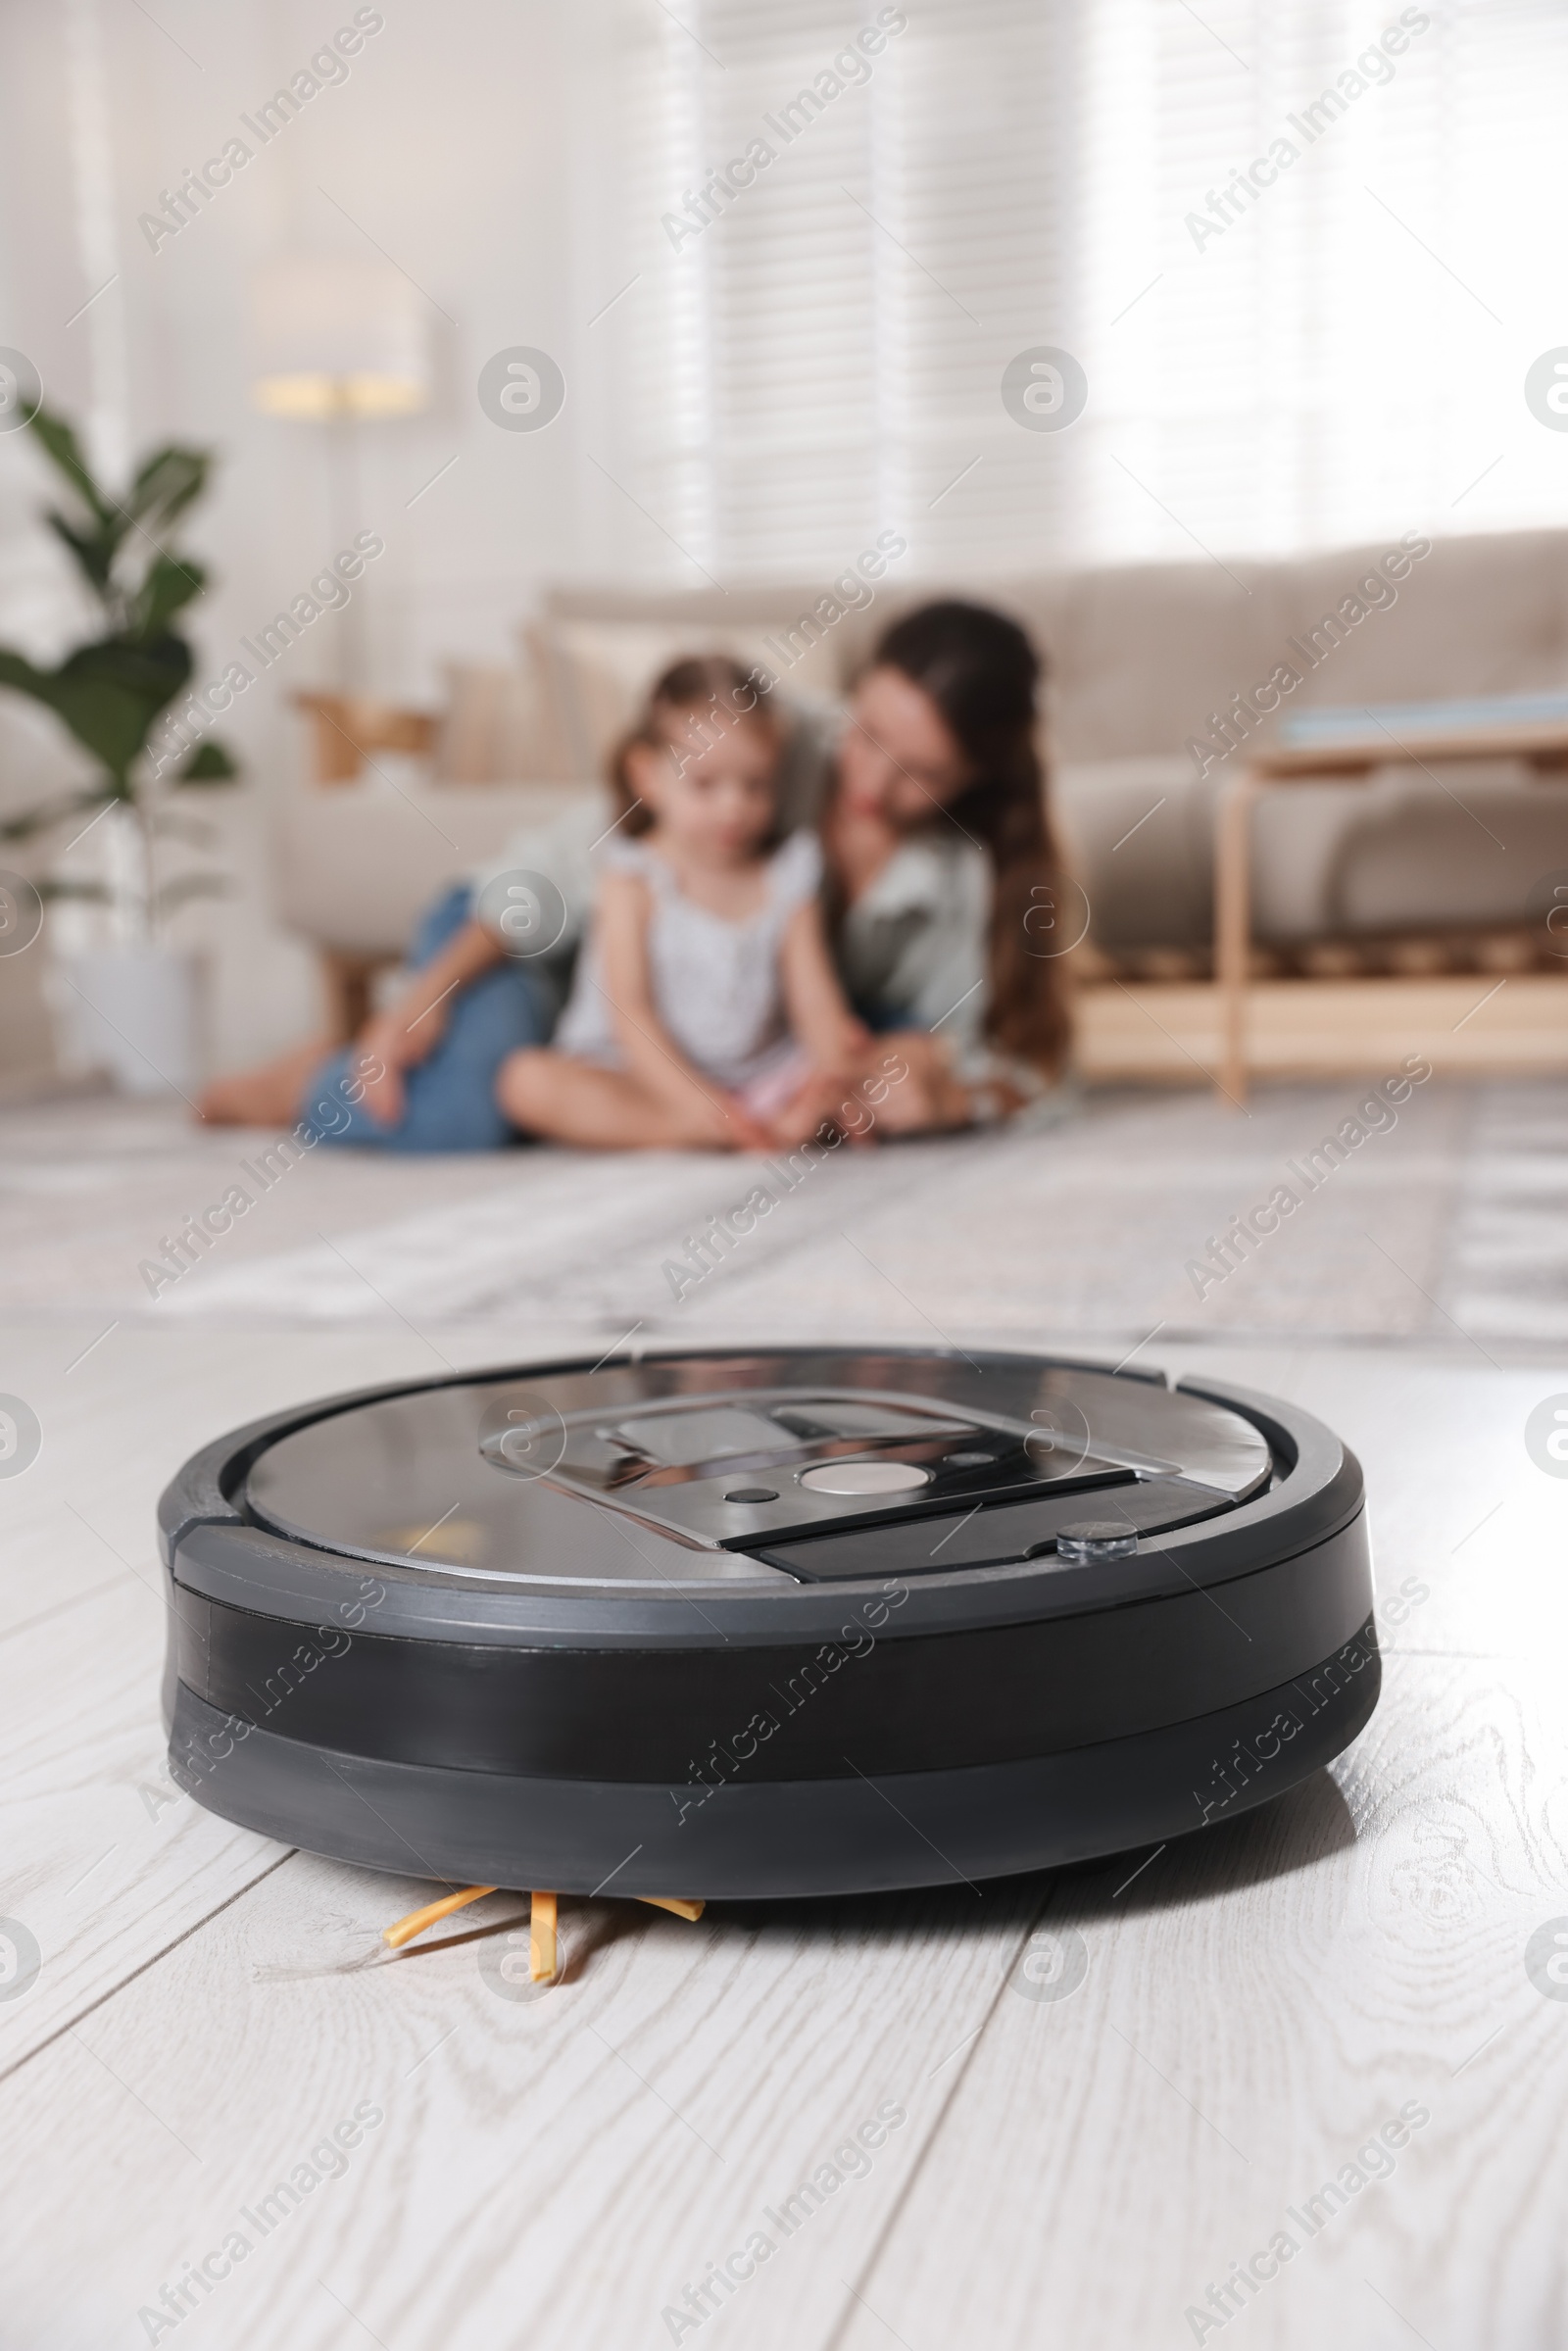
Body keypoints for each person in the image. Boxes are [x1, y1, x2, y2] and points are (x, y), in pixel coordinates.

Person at [198, 597, 1070, 1144]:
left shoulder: (955, 873)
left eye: (920, 774)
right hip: (530, 940)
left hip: (682, 1012)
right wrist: (425, 994)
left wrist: (924, 1081)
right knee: (469, 1109)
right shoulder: (764, 742)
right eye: (870, 735)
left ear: (975, 781)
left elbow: (966, 1049)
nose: (872, 783)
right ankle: (303, 1076)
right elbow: (550, 878)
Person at [496, 657, 868, 1150]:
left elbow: (814, 998)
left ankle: (765, 1123)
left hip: (762, 1077)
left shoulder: (787, 872)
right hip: (647, 1078)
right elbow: (629, 1011)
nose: (732, 807)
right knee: (525, 1082)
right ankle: (714, 1131)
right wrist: (704, 1106)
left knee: (876, 1062)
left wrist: (833, 1077)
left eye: (755, 785)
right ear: (647, 777)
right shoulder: (632, 876)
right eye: (705, 784)